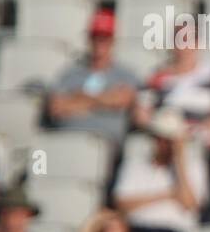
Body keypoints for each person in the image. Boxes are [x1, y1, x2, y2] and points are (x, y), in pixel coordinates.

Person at [112, 109, 208, 232]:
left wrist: (180, 161)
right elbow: (121, 203)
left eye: (169, 139)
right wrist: (167, 195)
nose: (165, 144)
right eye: (161, 138)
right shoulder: (135, 164)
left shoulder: (193, 166)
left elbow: (190, 204)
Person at [134, 20, 210, 152]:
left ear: (198, 42)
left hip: (198, 145)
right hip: (164, 142)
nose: (183, 45)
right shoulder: (157, 77)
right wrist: (165, 129)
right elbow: (141, 114)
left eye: (188, 39)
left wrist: (197, 130)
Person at [46, 8, 140, 147]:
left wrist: (79, 97)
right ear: (88, 38)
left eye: (104, 38)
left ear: (113, 40)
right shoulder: (69, 74)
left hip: (108, 147)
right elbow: (57, 107)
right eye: (95, 37)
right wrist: (106, 100)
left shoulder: (125, 74)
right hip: (69, 142)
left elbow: (122, 100)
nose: (99, 43)